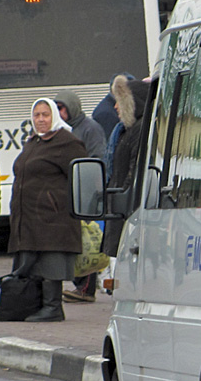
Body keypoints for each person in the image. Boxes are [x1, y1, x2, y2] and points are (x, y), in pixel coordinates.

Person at [8, 98, 88, 322]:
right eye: (37, 115)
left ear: (55, 115)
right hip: (30, 215)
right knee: (33, 260)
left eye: (45, 114)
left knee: (51, 260)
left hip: (54, 216)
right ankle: (37, 305)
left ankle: (53, 308)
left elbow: (81, 177)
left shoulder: (67, 142)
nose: (41, 119)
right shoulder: (34, 141)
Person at [55, 92, 105, 304]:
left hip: (86, 192)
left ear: (71, 108)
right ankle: (79, 284)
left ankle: (86, 288)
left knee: (88, 241)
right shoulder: (62, 130)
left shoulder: (89, 128)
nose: (59, 112)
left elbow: (97, 158)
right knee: (75, 240)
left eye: (62, 108)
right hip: (69, 191)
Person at [102, 75, 151, 258]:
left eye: (120, 102)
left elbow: (133, 174)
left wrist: (122, 200)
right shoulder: (126, 131)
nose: (115, 107)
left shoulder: (139, 131)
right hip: (120, 214)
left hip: (126, 216)